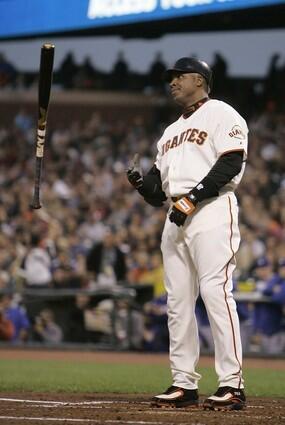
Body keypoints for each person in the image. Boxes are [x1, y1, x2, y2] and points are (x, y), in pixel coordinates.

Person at [126, 57, 248, 411]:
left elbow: (231, 162)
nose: (173, 82)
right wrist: (141, 183)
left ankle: (232, 384)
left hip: (210, 208)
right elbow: (157, 193)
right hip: (175, 215)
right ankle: (184, 383)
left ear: (200, 79)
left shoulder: (222, 113)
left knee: (215, 292)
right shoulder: (168, 132)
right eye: (171, 78)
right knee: (177, 302)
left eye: (179, 77)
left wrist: (192, 199)